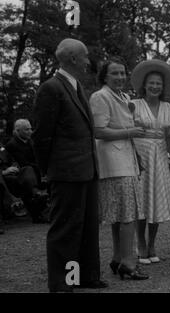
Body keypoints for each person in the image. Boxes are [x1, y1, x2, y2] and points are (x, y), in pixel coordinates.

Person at [32, 38, 107, 292]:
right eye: (85, 57)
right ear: (73, 59)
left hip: (86, 170)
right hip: (66, 173)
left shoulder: (75, 87)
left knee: (87, 227)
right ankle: (63, 283)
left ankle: (86, 275)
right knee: (65, 230)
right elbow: (42, 136)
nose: (88, 62)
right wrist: (49, 171)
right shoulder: (51, 88)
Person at [89, 57, 149, 280]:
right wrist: (130, 132)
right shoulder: (100, 97)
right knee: (127, 215)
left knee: (121, 214)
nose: (120, 77)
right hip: (113, 162)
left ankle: (118, 258)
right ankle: (128, 263)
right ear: (105, 76)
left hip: (126, 159)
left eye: (123, 73)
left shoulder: (123, 97)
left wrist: (136, 152)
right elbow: (99, 131)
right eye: (115, 73)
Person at [129, 59, 170, 264]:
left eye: (158, 83)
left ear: (163, 87)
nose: (154, 86)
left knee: (156, 202)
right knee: (142, 202)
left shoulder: (168, 107)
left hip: (159, 156)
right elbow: (127, 132)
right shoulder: (134, 105)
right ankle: (140, 244)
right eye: (151, 83)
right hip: (139, 156)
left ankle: (152, 245)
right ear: (144, 84)